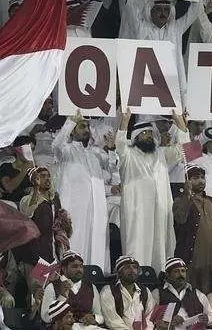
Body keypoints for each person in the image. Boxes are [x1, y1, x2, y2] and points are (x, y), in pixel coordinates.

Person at [116, 109, 189, 272]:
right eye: (144, 133)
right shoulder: (128, 156)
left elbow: (185, 153)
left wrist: (181, 126)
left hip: (160, 214)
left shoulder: (161, 154)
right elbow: (120, 145)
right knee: (137, 247)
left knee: (161, 249)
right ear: (135, 136)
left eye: (150, 132)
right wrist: (124, 122)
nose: (149, 135)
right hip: (137, 214)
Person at [52, 111, 112, 270]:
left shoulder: (96, 153)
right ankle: (69, 273)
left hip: (96, 208)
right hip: (73, 207)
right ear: (72, 130)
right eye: (82, 126)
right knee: (75, 239)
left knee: (96, 240)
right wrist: (70, 121)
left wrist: (112, 148)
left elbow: (113, 165)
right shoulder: (66, 150)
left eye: (88, 126)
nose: (87, 130)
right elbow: (56, 145)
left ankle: (95, 274)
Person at [123, 0, 200, 104]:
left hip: (171, 81)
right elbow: (130, 9)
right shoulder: (142, 29)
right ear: (151, 11)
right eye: (158, 9)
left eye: (166, 10)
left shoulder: (176, 28)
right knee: (149, 115)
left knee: (172, 116)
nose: (163, 13)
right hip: (147, 83)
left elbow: (193, 13)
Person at [172, 164, 212, 294]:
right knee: (192, 297)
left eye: (202, 177)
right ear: (187, 180)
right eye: (195, 178)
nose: (201, 181)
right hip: (192, 261)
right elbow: (180, 219)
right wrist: (187, 195)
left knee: (211, 296)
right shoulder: (179, 201)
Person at [17, 166, 72, 267]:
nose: (47, 178)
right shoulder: (26, 200)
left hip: (54, 255)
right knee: (40, 282)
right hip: (35, 257)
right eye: (42, 176)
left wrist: (65, 223)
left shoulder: (55, 200)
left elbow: (65, 230)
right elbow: (27, 212)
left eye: (48, 176)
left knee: (59, 282)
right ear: (33, 180)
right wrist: (36, 188)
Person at [41, 250, 105, 328]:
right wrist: (63, 296)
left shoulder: (91, 287)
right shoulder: (52, 287)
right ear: (64, 269)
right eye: (74, 266)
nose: (79, 270)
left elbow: (100, 317)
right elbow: (46, 318)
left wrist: (94, 318)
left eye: (81, 266)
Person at [151, 257, 212, 330]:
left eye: (183, 271)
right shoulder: (158, 293)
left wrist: (207, 318)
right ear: (167, 275)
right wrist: (168, 321)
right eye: (176, 271)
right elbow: (151, 318)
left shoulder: (197, 293)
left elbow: (211, 317)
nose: (180, 274)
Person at [100, 256, 156, 329]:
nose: (132, 270)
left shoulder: (145, 291)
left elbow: (150, 316)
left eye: (135, 267)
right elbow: (113, 321)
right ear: (119, 273)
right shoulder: (108, 291)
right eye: (127, 268)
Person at [1, 135, 35, 206]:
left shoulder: (34, 170)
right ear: (18, 150)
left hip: (25, 208)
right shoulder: (6, 167)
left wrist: (34, 190)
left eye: (32, 149)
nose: (30, 153)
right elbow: (8, 187)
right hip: (7, 206)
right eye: (27, 149)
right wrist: (25, 169)